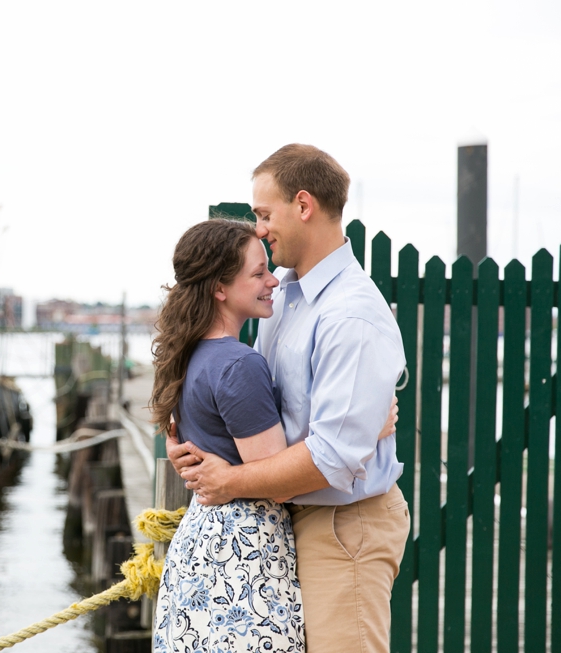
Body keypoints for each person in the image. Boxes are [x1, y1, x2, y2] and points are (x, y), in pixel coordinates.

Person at [169, 144, 410, 653]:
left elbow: (330, 458)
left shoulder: (350, 314)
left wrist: (227, 479)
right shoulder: (284, 299)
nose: (258, 228)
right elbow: (262, 410)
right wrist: (190, 446)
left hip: (344, 526)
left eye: (263, 213)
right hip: (289, 520)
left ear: (303, 206)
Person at [150, 218, 304, 653]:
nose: (273, 280)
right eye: (257, 273)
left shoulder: (189, 353)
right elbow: (279, 480)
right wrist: (367, 429)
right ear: (220, 287)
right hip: (242, 554)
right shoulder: (239, 364)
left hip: (200, 545)